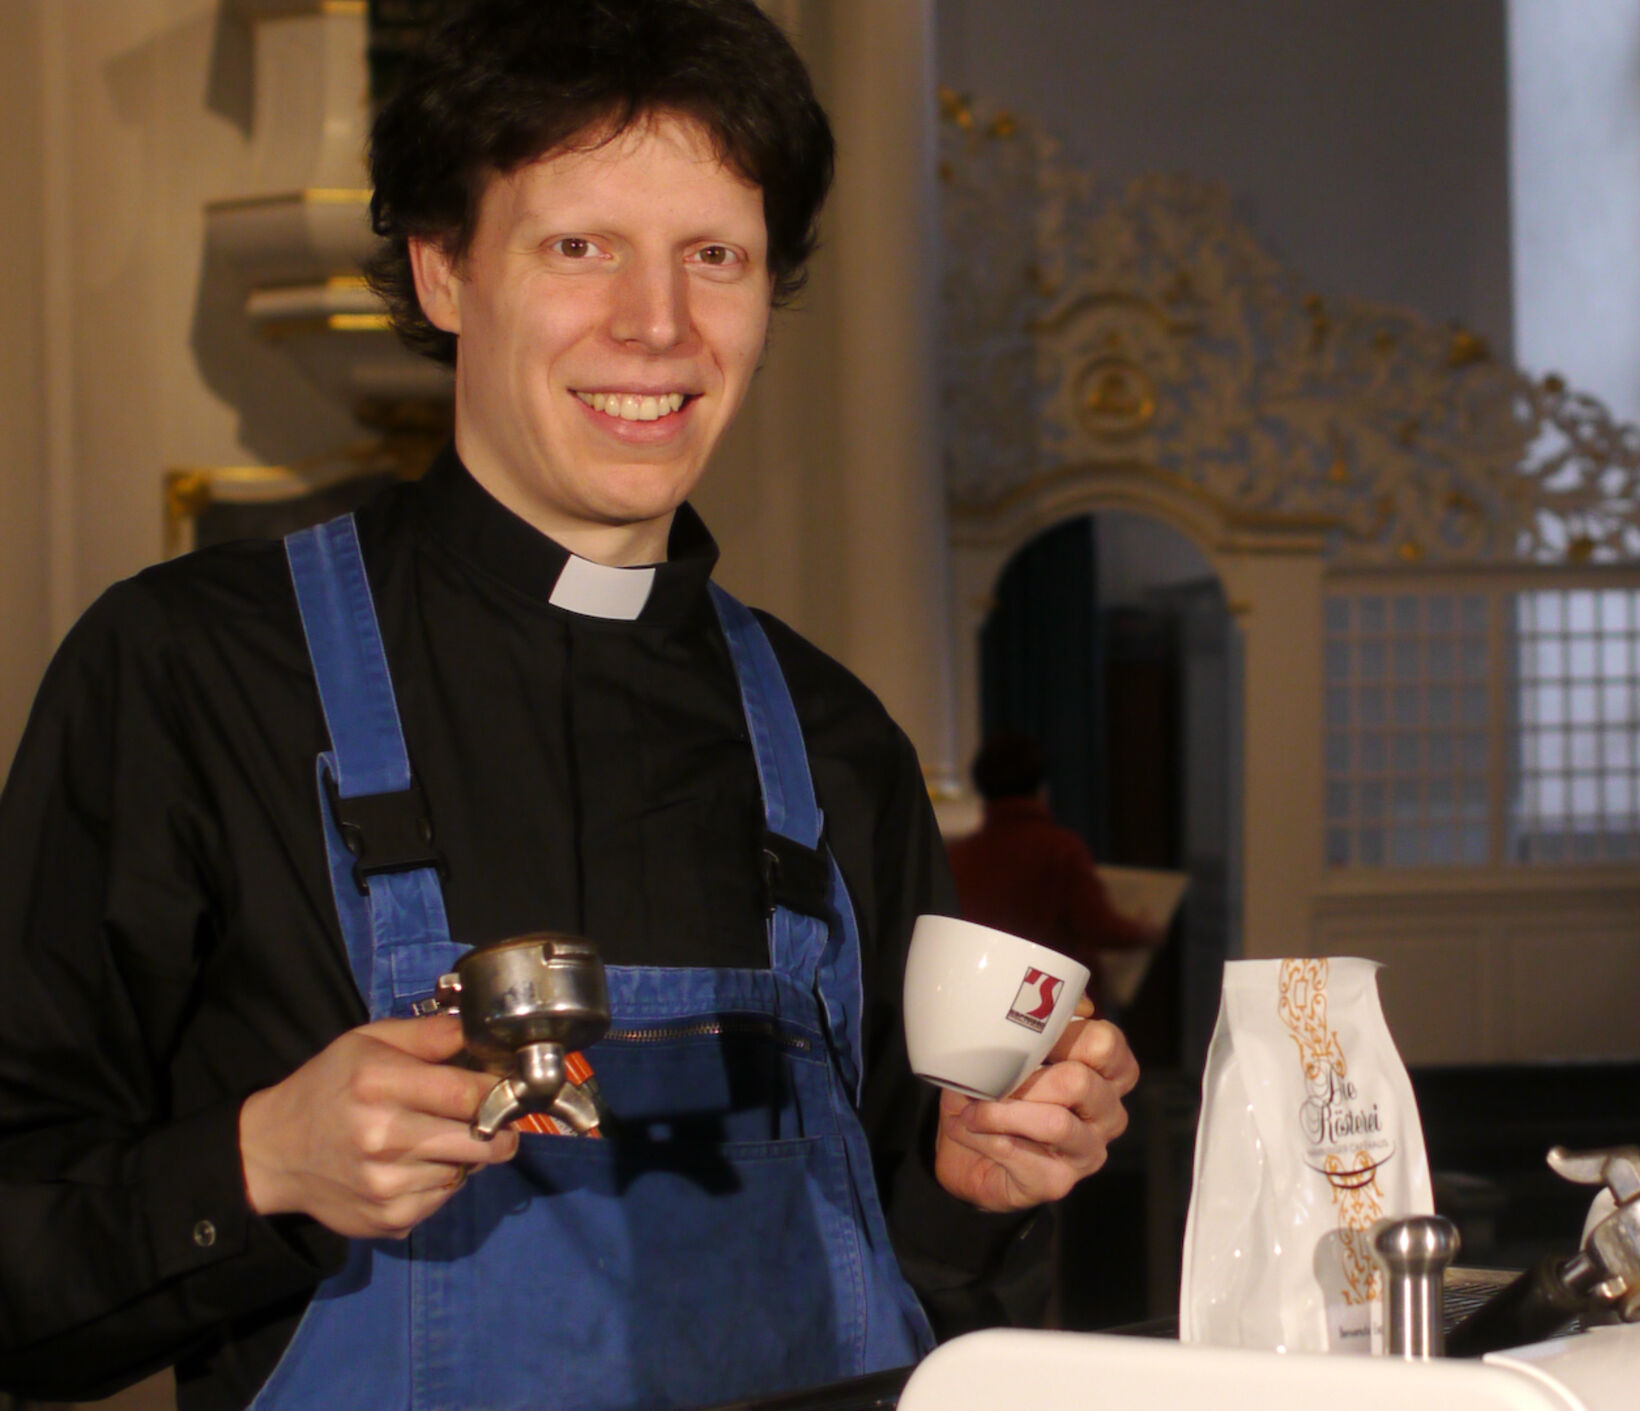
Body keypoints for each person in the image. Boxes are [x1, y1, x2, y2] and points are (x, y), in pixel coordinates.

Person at [0, 3, 1137, 1408]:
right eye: (578, 245)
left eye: (713, 255)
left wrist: (985, 1184)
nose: (656, 326)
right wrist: (258, 1164)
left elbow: (940, 1301)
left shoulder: (838, 740)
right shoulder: (189, 672)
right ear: (442, 272)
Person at [948, 733, 1155, 1007]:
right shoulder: (1060, 849)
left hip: (983, 996)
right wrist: (1144, 931)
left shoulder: (958, 855)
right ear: (1041, 787)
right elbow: (1098, 926)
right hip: (1052, 1000)